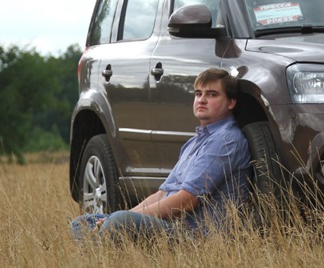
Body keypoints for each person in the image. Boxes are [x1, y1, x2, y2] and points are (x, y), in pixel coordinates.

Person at [70, 68, 251, 241]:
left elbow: (187, 201)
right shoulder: (193, 143)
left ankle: (102, 249)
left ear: (231, 102)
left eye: (212, 94)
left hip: (194, 234)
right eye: (198, 93)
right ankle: (103, 248)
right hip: (169, 225)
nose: (202, 100)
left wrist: (119, 218)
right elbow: (162, 194)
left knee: (119, 222)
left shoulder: (225, 140)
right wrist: (119, 216)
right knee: (81, 223)